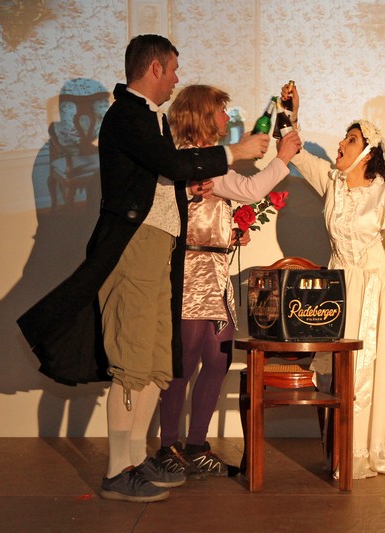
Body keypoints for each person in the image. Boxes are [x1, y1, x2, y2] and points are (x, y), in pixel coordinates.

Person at [17, 34, 271, 503]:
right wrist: (234, 152)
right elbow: (167, 163)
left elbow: (158, 176)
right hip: (135, 248)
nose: (176, 79)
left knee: (157, 361)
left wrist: (190, 192)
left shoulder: (151, 119)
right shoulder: (127, 115)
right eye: (173, 69)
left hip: (162, 250)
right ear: (155, 68)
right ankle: (118, 470)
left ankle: (136, 459)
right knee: (132, 361)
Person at [281, 83, 385, 479]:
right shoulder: (332, 183)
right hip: (342, 290)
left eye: (350, 140)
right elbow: (296, 152)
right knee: (343, 371)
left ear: (368, 153)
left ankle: (377, 446)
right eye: (344, 137)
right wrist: (291, 115)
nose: (340, 144)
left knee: (380, 371)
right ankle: (344, 446)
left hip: (384, 291)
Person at [155, 84, 301, 477]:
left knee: (217, 359)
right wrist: (283, 158)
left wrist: (229, 231)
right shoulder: (192, 160)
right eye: (221, 111)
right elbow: (250, 190)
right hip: (191, 273)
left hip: (215, 273)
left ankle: (196, 445)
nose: (226, 117)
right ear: (203, 115)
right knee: (184, 362)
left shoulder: (206, 161)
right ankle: (169, 446)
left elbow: (217, 204)